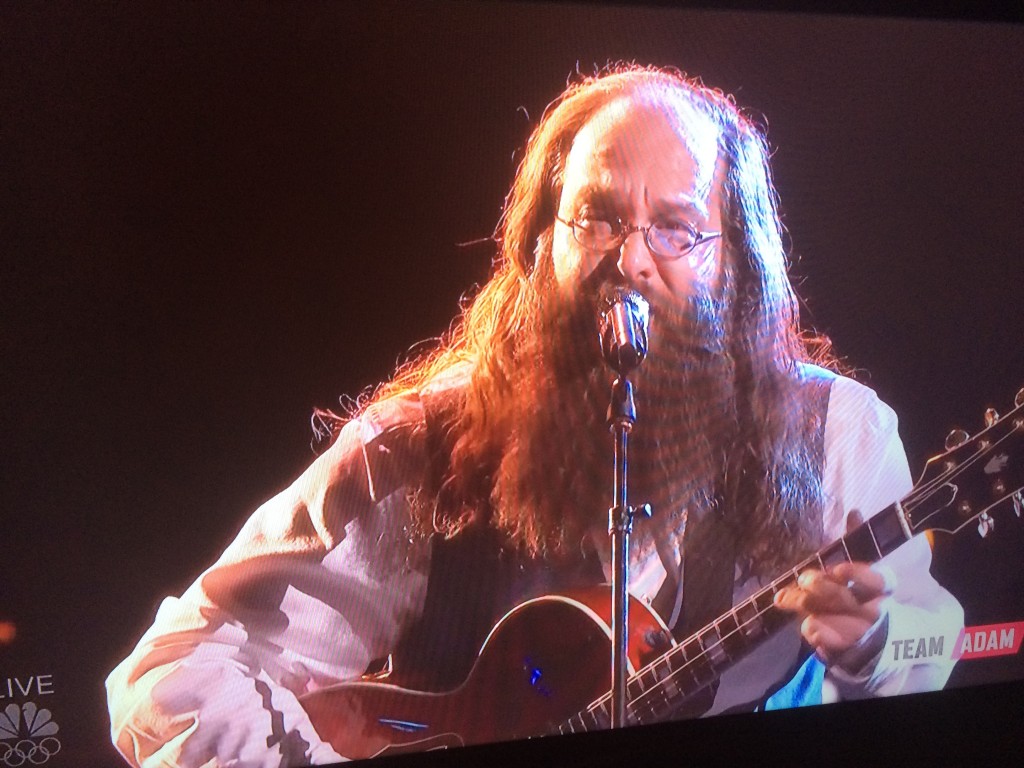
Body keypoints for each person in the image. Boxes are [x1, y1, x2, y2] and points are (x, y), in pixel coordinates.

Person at [106, 65, 964, 767]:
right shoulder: (422, 445)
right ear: (537, 245)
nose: (630, 261)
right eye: (596, 217)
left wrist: (878, 642)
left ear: (735, 265)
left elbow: (937, 638)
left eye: (676, 228)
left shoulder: (836, 431)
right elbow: (169, 669)